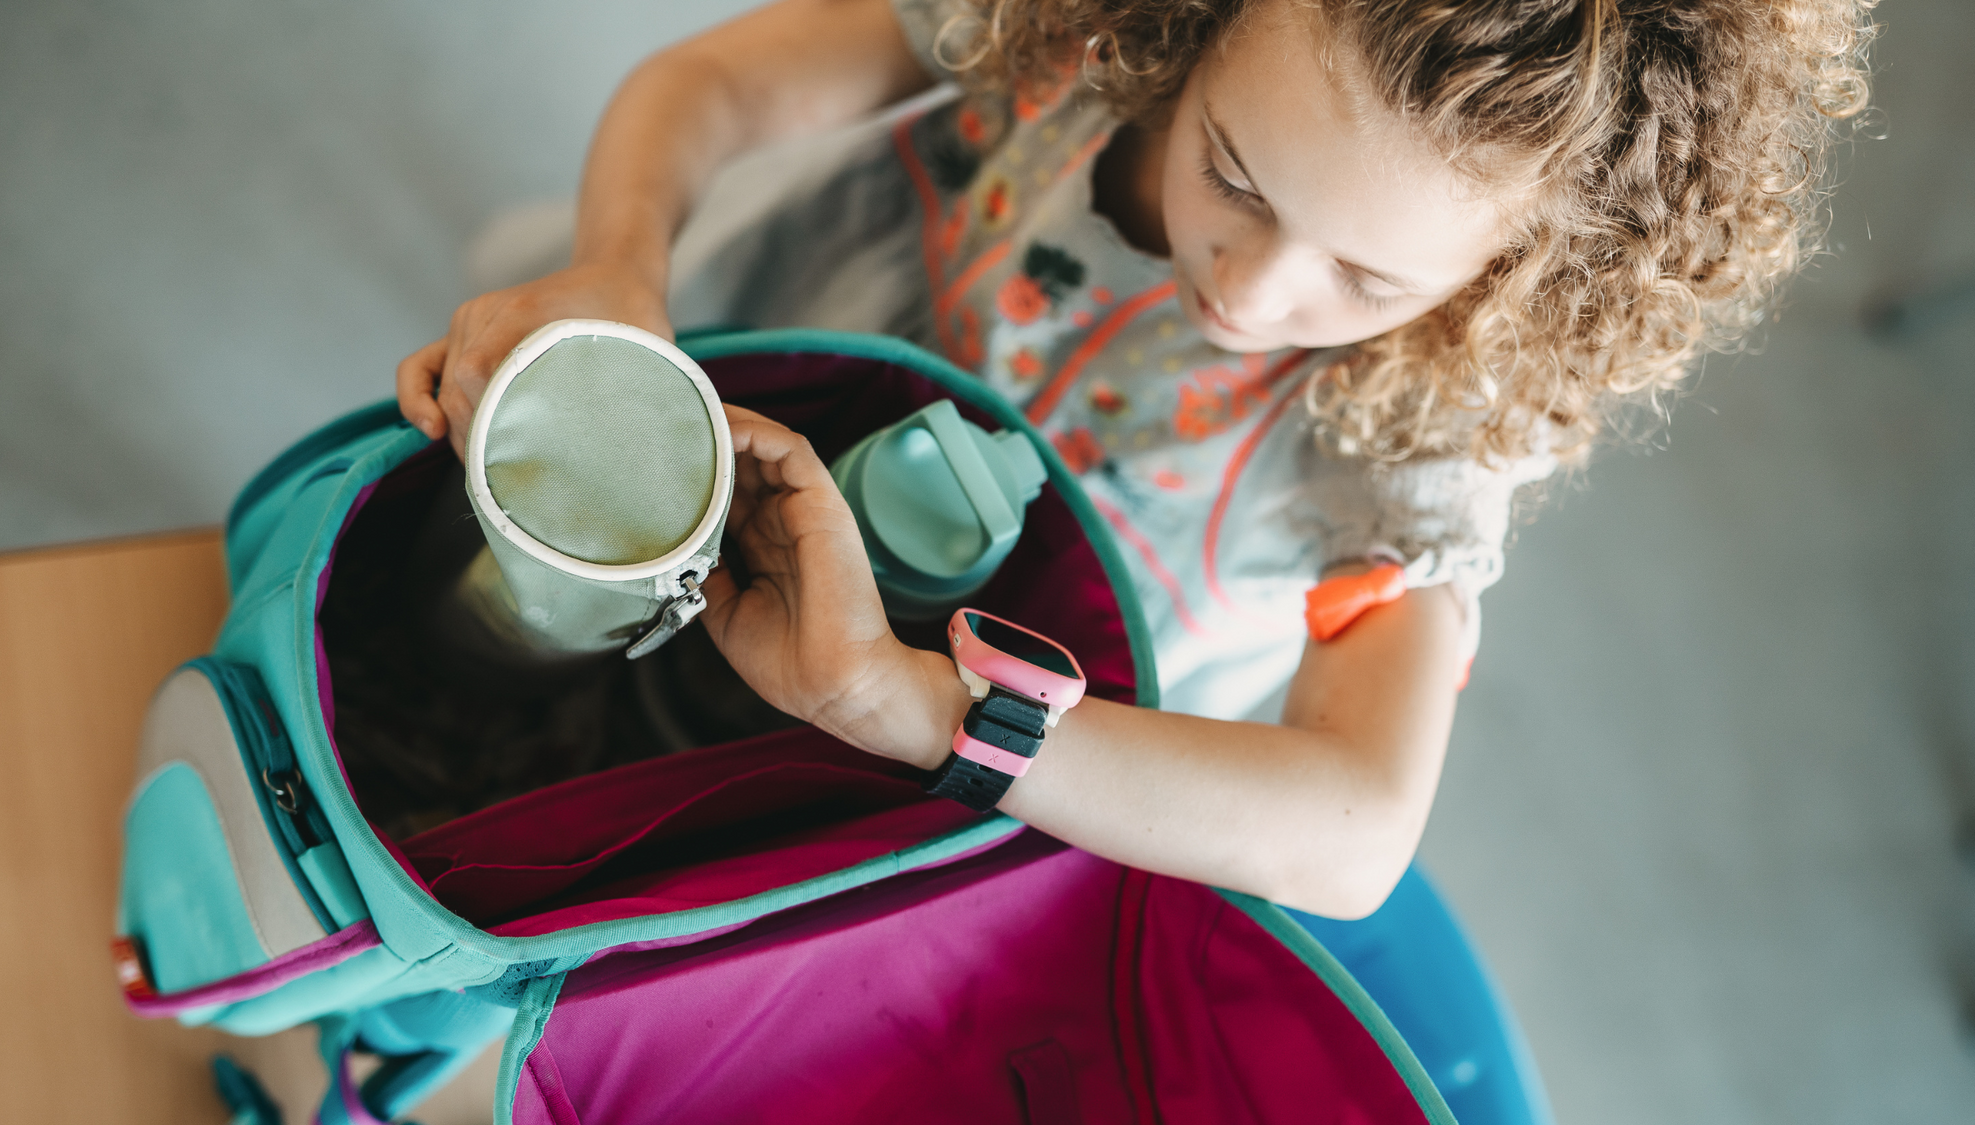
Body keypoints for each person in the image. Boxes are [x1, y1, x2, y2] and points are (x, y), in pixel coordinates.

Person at [394, 0, 1874, 1119]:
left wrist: (901, 706)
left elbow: (1356, 832)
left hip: (949, 757)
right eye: (1233, 172)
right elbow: (707, 86)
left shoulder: (1428, 426)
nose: (1255, 283)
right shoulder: (1071, 27)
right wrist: (617, 269)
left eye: (1370, 278)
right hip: (746, 401)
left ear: (1511, 281)